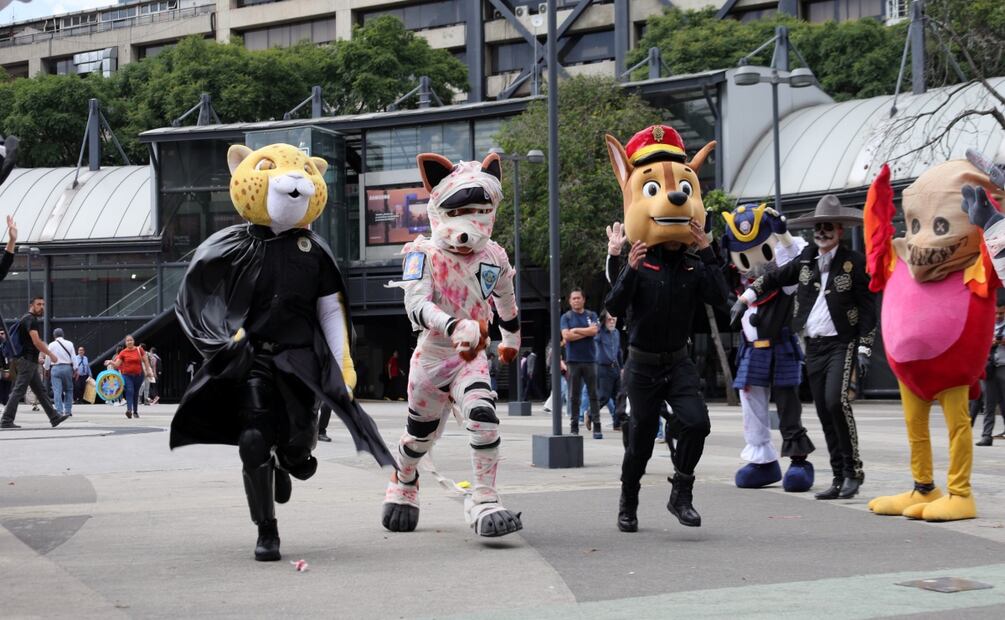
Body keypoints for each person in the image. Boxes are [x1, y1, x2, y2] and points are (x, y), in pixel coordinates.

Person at [172, 143, 392, 562]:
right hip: (253, 358)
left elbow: (331, 308)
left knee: (299, 446)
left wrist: (342, 361)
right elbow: (199, 295)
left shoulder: (315, 250)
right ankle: (266, 529)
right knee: (253, 439)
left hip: (301, 360)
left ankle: (287, 460)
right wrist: (222, 341)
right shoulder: (231, 246)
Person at [381, 151, 523, 538]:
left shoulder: (494, 256)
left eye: (480, 212)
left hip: (470, 358)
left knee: (483, 417)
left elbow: (506, 302)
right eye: (459, 212)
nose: (468, 226)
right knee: (419, 438)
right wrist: (452, 325)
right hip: (431, 358)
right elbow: (416, 304)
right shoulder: (422, 254)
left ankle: (485, 498)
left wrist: (511, 339)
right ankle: (404, 478)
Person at [603, 123, 722, 532]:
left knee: (697, 424)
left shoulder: (693, 263)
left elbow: (720, 298)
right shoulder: (640, 261)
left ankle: (681, 492)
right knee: (640, 440)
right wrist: (627, 268)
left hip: (679, 361)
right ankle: (629, 498)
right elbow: (613, 306)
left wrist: (708, 251)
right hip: (642, 365)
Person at [733, 195, 876, 501]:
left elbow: (867, 309)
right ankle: (837, 477)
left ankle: (853, 471)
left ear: (839, 230)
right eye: (818, 227)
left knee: (836, 402)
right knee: (824, 409)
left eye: (828, 227)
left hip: (841, 342)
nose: (822, 232)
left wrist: (865, 348)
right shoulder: (808, 257)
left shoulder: (854, 262)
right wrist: (745, 298)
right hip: (814, 345)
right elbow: (775, 277)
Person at [0, 297, 70, 429]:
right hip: (27, 361)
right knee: (19, 390)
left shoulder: (26, 319)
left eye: (43, 304)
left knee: (40, 390)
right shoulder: (30, 320)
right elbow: (36, 341)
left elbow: (28, 342)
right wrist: (50, 354)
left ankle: (54, 417)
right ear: (31, 305)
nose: (41, 307)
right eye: (38, 304)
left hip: (28, 360)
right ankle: (6, 420)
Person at [561, 288, 602, 439]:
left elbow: (594, 331)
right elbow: (566, 336)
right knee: (574, 396)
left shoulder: (591, 315)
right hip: (573, 361)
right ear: (570, 301)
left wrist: (576, 330)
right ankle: (574, 427)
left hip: (590, 360)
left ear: (584, 299)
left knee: (594, 395)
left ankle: (597, 426)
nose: (576, 300)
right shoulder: (566, 317)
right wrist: (586, 332)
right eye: (574, 298)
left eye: (579, 298)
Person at [977, 295, 1005, 446]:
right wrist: (989, 341)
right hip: (988, 367)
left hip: (1003, 366)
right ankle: (986, 436)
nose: (999, 316)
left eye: (1002, 313)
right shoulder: (986, 324)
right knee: (989, 403)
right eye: (996, 313)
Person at [596, 312, 623, 431]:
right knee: (604, 397)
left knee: (619, 397)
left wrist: (622, 367)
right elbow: (595, 337)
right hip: (603, 368)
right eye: (609, 319)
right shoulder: (600, 333)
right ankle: (590, 414)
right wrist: (600, 324)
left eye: (614, 319)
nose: (612, 322)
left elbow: (619, 351)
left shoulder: (616, 333)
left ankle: (617, 423)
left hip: (615, 367)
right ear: (604, 321)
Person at [112, 335, 147, 419]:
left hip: (139, 375)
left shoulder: (139, 349)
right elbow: (117, 365)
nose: (129, 342)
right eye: (127, 341)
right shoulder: (123, 352)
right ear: (125, 343)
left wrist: (148, 370)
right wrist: (110, 362)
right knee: (130, 391)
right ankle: (129, 410)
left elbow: (145, 360)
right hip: (127, 375)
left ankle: (135, 412)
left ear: (133, 341)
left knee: (136, 393)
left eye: (131, 340)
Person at [45, 328, 76, 418]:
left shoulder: (51, 345)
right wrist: (75, 369)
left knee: (57, 391)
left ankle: (59, 411)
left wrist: (47, 369)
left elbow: (48, 358)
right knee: (69, 390)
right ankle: (68, 411)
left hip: (55, 368)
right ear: (63, 335)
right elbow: (74, 357)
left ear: (54, 336)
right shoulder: (70, 343)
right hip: (67, 368)